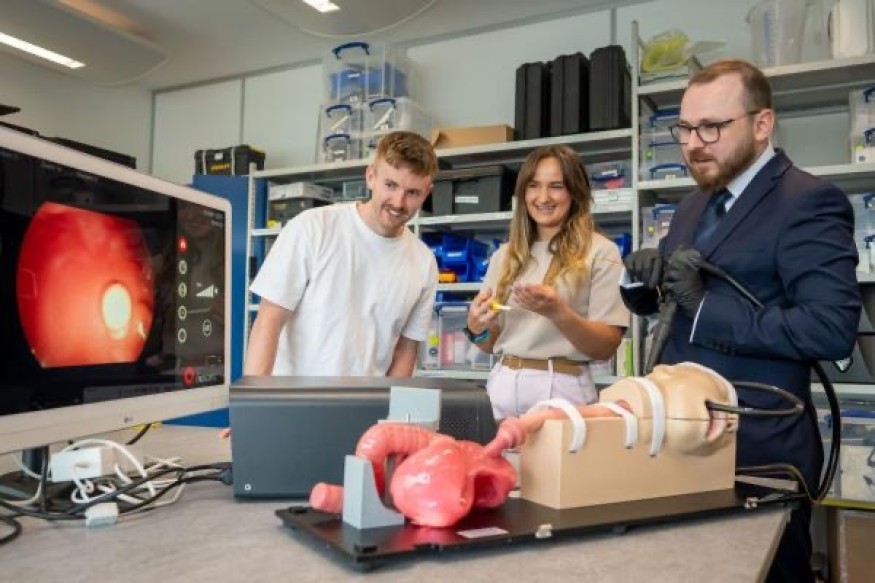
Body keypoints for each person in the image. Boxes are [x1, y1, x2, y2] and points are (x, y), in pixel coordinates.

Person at [621, 59, 861, 583]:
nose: (693, 144)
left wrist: (706, 306)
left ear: (762, 123)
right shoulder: (693, 205)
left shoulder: (808, 201)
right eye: (685, 129)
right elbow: (677, 304)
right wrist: (641, 285)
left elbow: (829, 328)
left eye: (711, 127)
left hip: (759, 452)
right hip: (682, 443)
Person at [245, 130, 439, 377]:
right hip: (294, 397)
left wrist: (391, 403)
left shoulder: (423, 262)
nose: (398, 202)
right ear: (371, 176)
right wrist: (257, 398)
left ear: (427, 193)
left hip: (367, 400)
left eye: (412, 193)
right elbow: (268, 322)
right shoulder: (313, 228)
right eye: (390, 185)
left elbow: (405, 351)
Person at [466, 144, 629, 419]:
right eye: (533, 186)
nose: (543, 197)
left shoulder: (602, 252)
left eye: (556, 186)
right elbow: (489, 344)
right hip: (503, 382)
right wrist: (476, 327)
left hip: (561, 388)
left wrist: (558, 313)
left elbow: (606, 347)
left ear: (575, 192)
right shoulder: (505, 255)